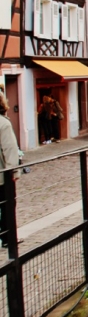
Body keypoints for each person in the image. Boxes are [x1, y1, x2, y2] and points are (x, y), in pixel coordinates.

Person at [0, 92, 20, 247]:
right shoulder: (3, 124)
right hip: (2, 176)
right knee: (7, 205)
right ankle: (8, 238)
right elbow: (10, 149)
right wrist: (13, 172)